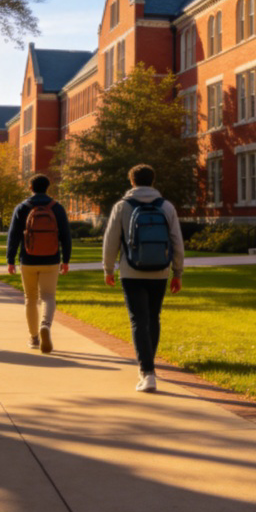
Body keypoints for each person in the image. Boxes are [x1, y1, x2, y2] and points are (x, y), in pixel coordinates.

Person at [102, 164, 184, 392]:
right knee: (153, 317)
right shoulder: (166, 206)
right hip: (160, 271)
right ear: (153, 181)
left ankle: (147, 372)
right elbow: (177, 241)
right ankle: (149, 366)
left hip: (131, 272)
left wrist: (108, 269)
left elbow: (110, 241)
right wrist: (178, 272)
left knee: (138, 320)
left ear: (132, 182)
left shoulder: (121, 206)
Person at [6, 175, 71, 351]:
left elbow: (13, 236)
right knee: (48, 297)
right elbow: (65, 235)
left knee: (30, 299)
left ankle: (34, 338)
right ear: (48, 187)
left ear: (30, 188)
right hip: (51, 259)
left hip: (28, 260)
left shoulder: (22, 207)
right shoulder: (57, 208)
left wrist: (10, 260)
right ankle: (46, 325)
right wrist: (66, 260)